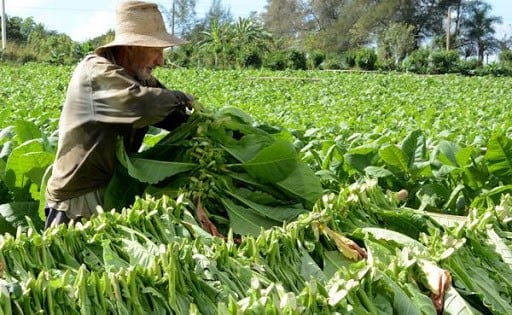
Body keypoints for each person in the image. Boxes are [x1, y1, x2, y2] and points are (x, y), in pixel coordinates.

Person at [44, 1, 195, 229]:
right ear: (131, 47)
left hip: (111, 190)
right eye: (155, 50)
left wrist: (208, 126)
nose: (161, 61)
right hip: (78, 199)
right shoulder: (96, 72)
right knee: (70, 263)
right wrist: (181, 96)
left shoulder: (136, 77)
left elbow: (172, 115)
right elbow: (144, 105)